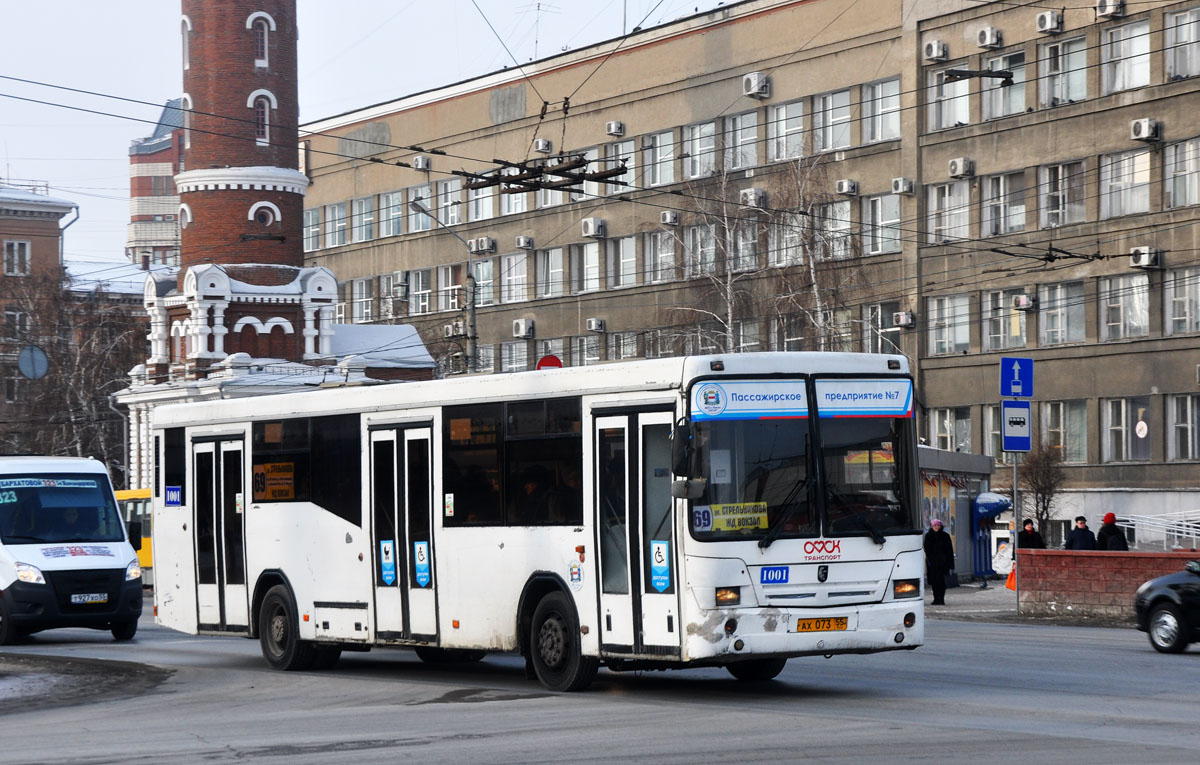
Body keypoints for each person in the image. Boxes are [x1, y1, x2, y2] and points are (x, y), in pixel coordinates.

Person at [923, 518, 955, 605]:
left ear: (941, 526)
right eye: (935, 525)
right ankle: (936, 599)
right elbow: (926, 549)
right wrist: (929, 560)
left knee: (941, 582)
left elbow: (949, 550)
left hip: (943, 563)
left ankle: (941, 599)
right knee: (934, 582)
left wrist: (950, 564)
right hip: (932, 563)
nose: (936, 527)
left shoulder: (945, 536)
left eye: (938, 525)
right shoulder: (928, 536)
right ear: (932, 526)